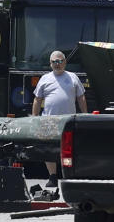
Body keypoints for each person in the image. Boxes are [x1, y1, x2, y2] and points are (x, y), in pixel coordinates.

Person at [32, 50, 87, 187]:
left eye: (60, 61)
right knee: (48, 150)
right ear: (50, 64)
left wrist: (85, 115)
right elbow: (37, 100)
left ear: (65, 62)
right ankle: (52, 177)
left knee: (68, 150)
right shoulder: (44, 79)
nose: (58, 64)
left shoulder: (73, 77)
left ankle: (68, 176)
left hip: (69, 121)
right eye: (54, 62)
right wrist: (34, 118)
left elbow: (81, 97)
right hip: (48, 121)